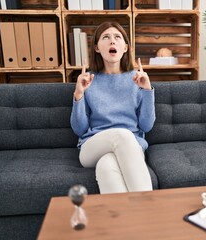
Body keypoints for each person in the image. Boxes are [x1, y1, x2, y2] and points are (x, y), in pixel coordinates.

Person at [70, 21, 155, 194]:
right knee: (122, 134)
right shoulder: (88, 80)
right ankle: (149, 206)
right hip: (92, 147)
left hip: (130, 147)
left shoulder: (137, 79)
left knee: (106, 166)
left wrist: (147, 90)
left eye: (117, 37)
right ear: (97, 48)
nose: (112, 41)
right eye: (106, 37)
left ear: (125, 47)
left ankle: (126, 220)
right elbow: (80, 129)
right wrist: (78, 94)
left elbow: (146, 126)